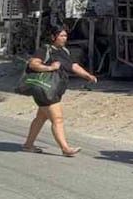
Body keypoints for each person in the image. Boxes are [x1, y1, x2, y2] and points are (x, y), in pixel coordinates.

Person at [22, 27, 97, 157]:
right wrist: (50, 67)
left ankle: (28, 145)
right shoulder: (45, 50)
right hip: (44, 90)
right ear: (53, 37)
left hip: (54, 89)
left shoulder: (64, 51)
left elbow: (73, 66)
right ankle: (65, 148)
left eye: (65, 36)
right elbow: (33, 64)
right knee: (57, 119)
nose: (64, 38)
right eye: (61, 36)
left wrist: (87, 76)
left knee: (41, 117)